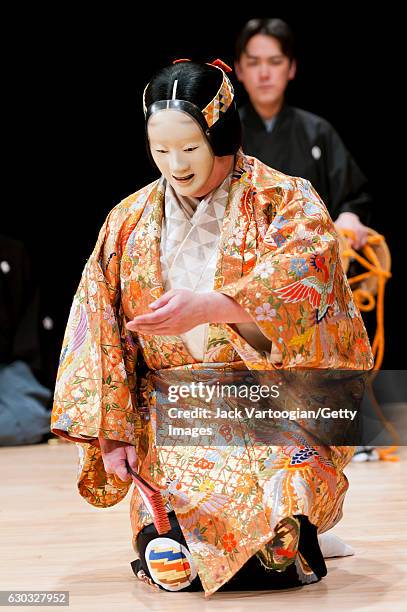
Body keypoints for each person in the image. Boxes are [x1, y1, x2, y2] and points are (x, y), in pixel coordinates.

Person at [51, 59, 373, 596]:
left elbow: (312, 285)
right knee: (175, 562)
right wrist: (112, 431)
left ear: (220, 135)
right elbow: (97, 330)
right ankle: (262, 534)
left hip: (275, 402)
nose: (174, 165)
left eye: (190, 149)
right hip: (176, 412)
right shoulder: (126, 221)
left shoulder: (285, 200)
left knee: (274, 552)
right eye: (161, 151)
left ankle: (299, 527)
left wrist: (210, 306)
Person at [235, 18, 371, 250]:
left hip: (312, 263)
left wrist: (350, 216)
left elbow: (353, 197)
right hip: (241, 262)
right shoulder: (225, 133)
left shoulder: (318, 132)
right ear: (239, 69)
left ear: (291, 68)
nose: (264, 73)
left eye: (275, 62)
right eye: (254, 63)